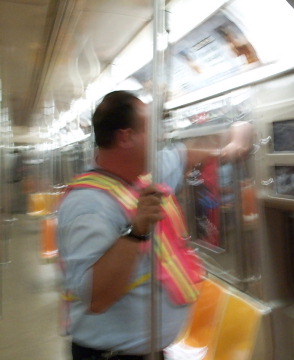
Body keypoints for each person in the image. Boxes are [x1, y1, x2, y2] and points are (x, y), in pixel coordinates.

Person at [57, 90, 253, 360]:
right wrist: (135, 232)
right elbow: (97, 297)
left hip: (152, 350)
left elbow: (183, 156)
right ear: (126, 137)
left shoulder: (142, 174)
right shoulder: (88, 205)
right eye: (150, 130)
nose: (158, 138)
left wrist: (228, 148)